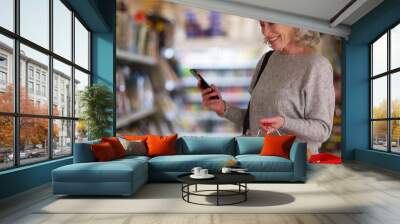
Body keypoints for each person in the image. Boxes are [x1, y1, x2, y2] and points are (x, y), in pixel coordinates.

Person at [200, 21, 335, 156]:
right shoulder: (267, 59)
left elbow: (322, 130)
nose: (265, 32)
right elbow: (254, 121)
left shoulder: (317, 66)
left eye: (271, 23)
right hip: (255, 163)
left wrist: (284, 123)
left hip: (291, 167)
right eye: (262, 25)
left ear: (295, 23)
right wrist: (224, 109)